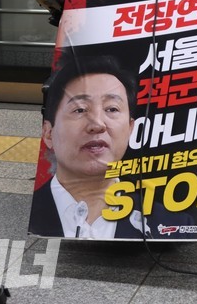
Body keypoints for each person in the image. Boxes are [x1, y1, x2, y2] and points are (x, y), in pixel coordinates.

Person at [29, 54, 144, 239]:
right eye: (80, 110)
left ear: (130, 128)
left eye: (112, 109)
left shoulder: (170, 220)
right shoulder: (34, 216)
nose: (97, 124)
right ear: (48, 133)